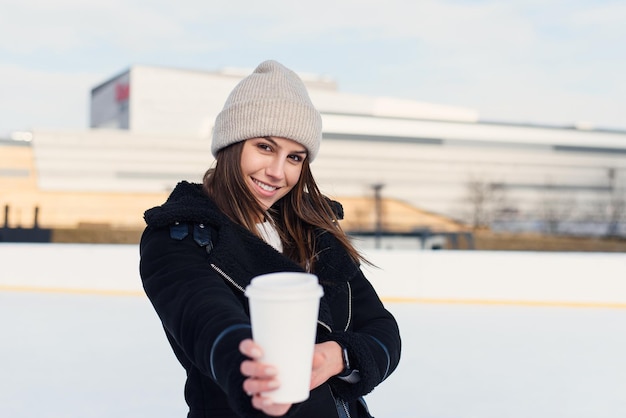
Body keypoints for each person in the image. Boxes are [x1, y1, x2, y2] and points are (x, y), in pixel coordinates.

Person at [139, 60, 401, 418]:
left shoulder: (315, 233)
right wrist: (252, 379)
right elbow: (207, 319)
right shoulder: (181, 235)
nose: (278, 172)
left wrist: (338, 356)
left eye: (294, 157)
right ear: (232, 145)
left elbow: (381, 328)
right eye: (265, 147)